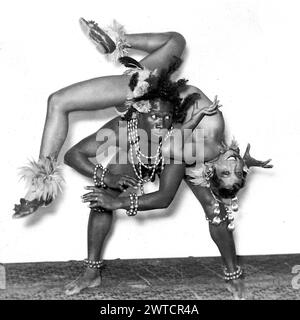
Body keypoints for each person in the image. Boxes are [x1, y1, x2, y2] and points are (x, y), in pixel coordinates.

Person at [14, 19, 272, 299]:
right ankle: (89, 268)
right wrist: (108, 178)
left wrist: (121, 199)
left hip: (166, 137)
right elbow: (75, 154)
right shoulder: (142, 122)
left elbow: (164, 196)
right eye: (236, 167)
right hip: (150, 116)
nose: (232, 165)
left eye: (227, 171)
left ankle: (233, 274)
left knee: (214, 208)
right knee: (175, 43)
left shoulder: (189, 151)